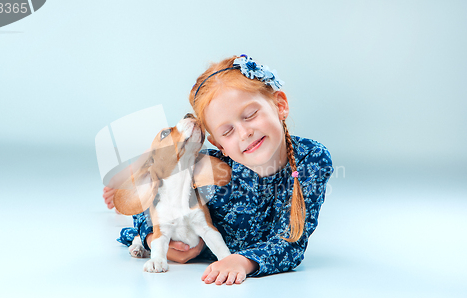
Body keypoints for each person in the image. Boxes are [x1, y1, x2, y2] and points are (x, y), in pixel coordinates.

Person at [104, 54, 333, 285]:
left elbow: (291, 242)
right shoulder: (208, 166)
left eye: (250, 115)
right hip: (195, 241)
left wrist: (242, 261)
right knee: (150, 176)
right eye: (227, 131)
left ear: (280, 105)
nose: (245, 134)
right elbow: (149, 203)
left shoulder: (310, 158)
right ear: (218, 145)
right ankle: (143, 164)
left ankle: (141, 166)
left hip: (230, 255)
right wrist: (154, 238)